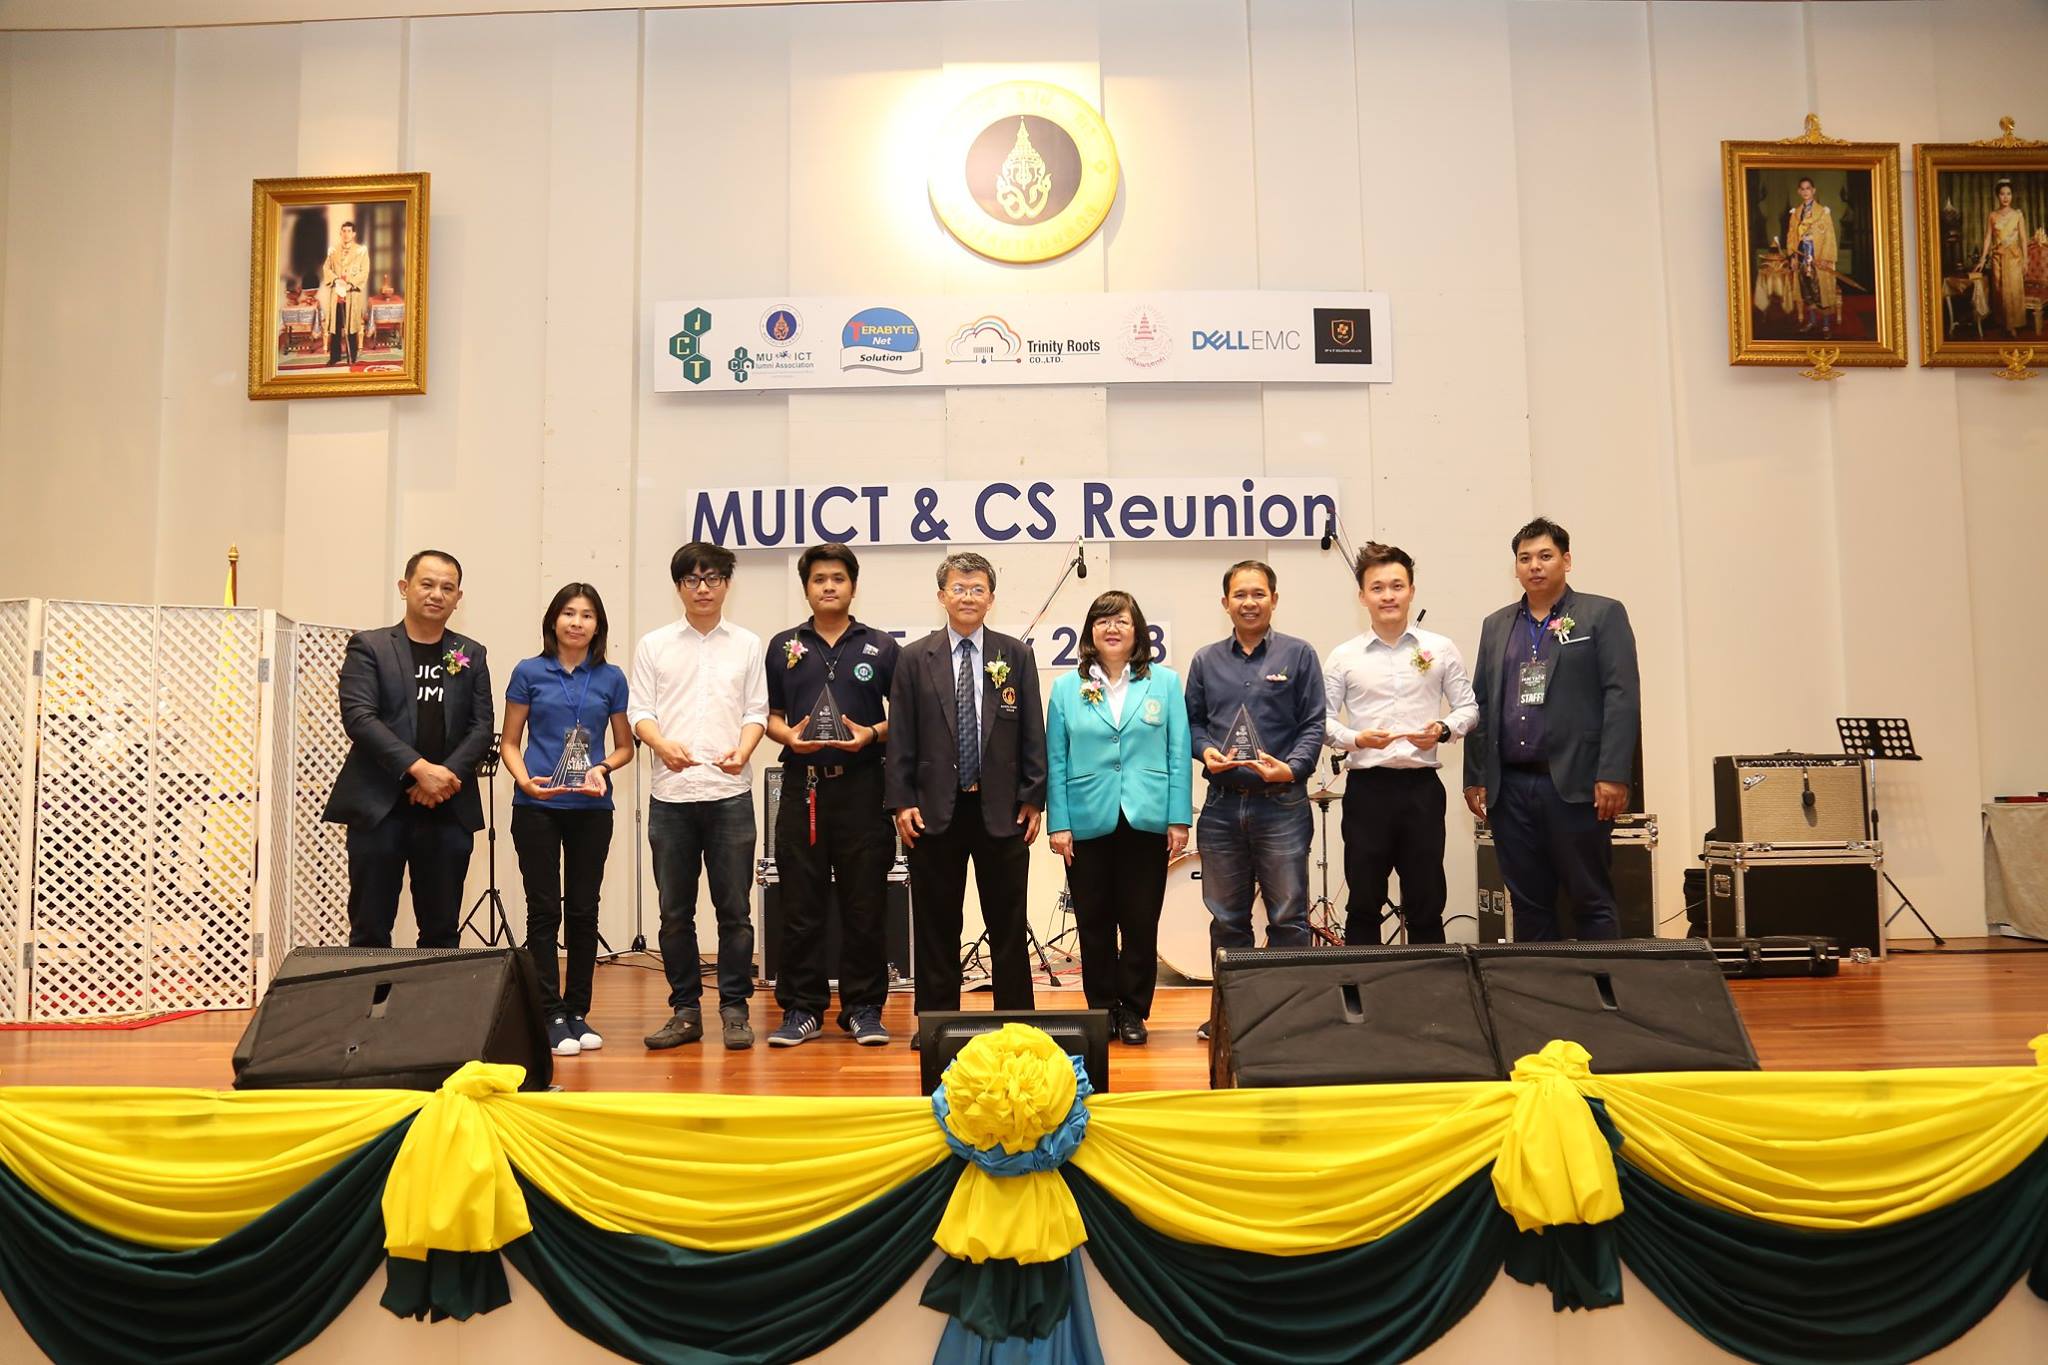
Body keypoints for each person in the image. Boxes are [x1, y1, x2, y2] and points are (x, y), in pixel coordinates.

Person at [887, 551, 1046, 1027]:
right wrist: (901, 802)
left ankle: (1017, 1024)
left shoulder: (1015, 655)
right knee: (936, 925)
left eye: (978, 589)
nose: (968, 597)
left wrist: (1033, 796)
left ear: (991, 598)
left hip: (1003, 810)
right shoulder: (914, 658)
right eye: (959, 588)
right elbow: (901, 737)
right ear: (942, 596)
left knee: (1008, 924)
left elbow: (1032, 731)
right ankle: (937, 1024)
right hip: (934, 811)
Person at [1463, 517, 1641, 942]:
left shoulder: (1602, 614)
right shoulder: (1496, 625)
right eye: (1525, 558)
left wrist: (1613, 772)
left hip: (1576, 784)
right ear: (1515, 568)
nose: (1535, 566)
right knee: (1528, 905)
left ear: (1567, 560)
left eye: (1545, 556)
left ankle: (1602, 984)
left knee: (1591, 899)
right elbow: (1480, 703)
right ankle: (1538, 985)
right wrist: (1475, 776)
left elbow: (1622, 697)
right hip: (1511, 790)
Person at [761, 543, 901, 1048]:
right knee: (800, 903)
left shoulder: (881, 646)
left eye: (838, 578)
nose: (828, 586)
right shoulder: (783, 645)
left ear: (853, 586)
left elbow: (905, 717)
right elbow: (769, 715)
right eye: (819, 579)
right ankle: (801, 1008)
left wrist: (870, 734)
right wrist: (788, 737)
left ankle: (864, 1008)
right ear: (806, 588)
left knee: (865, 903)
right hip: (803, 788)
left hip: (863, 786)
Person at [630, 543, 768, 1051]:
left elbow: (756, 710)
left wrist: (744, 750)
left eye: (712, 578)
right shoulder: (654, 645)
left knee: (734, 911)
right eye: (692, 579)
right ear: (679, 587)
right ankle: (685, 1011)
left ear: (727, 584)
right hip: (671, 797)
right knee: (674, 913)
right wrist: (661, 745)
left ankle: (735, 1010)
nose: (703, 588)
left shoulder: (748, 644)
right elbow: (640, 710)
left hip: (730, 793)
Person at [322, 550, 493, 949]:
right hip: (380, 806)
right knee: (370, 928)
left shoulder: (470, 653)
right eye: (427, 584)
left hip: (447, 807)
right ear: (404, 587)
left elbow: (481, 726)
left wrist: (443, 776)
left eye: (447, 588)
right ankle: (370, 993)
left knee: (441, 932)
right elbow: (360, 718)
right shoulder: (370, 646)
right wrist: (419, 769)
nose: (437, 594)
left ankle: (435, 994)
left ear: (458, 598)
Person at [1184, 560, 1324, 1039]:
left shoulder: (1299, 654)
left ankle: (1288, 1019)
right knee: (1227, 919)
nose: (1249, 602)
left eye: (1258, 593)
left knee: (1288, 917)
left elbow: (1314, 723)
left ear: (1274, 599)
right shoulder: (1205, 661)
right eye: (1240, 595)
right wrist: (1205, 750)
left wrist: (1294, 767)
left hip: (1282, 804)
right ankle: (1234, 1017)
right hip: (1222, 806)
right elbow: (1193, 723)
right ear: (1225, 603)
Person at [1044, 590, 1192, 1046]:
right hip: (1086, 819)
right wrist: (1058, 823)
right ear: (1090, 631)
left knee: (1141, 921)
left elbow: (1178, 753)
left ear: (1137, 631)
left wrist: (1178, 817)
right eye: (1103, 620)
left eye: (1121, 621)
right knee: (1094, 922)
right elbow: (1056, 759)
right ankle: (1102, 1009)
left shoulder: (1164, 683)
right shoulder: (1066, 688)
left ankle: (1132, 1010)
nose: (1112, 628)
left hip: (1147, 818)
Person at [499, 583, 633, 1058]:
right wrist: (526, 782)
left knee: (583, 909)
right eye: (569, 613)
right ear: (553, 620)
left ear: (598, 626)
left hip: (591, 810)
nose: (577, 622)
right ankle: (550, 1013)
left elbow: (625, 746)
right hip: (536, 807)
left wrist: (602, 768)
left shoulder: (611, 677)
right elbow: (510, 741)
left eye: (587, 615)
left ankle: (578, 1009)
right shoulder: (529, 671)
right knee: (543, 911)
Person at [1322, 543, 1477, 945]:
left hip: (1421, 789)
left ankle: (1432, 984)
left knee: (1427, 901)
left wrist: (1443, 729)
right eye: (1377, 588)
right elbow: (1321, 720)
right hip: (1367, 791)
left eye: (1396, 586)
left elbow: (1468, 708)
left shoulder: (1439, 648)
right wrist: (1355, 738)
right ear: (1362, 596)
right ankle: (1363, 984)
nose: (1387, 596)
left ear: (1411, 591)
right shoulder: (1343, 656)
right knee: (1362, 902)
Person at [1976, 179, 2029, 338]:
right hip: (1997, 257)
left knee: (2013, 290)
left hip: (2014, 257)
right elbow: (1987, 238)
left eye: (2008, 194)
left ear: (2012, 195)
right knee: (1999, 291)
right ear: (1997, 196)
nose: (2006, 197)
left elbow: (2023, 238)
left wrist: (2026, 260)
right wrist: (1982, 259)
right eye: (2002, 194)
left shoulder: (2017, 215)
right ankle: (2003, 322)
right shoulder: (1992, 215)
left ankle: (2013, 324)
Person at [1787, 176, 1839, 337]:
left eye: (1808, 188)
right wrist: (1793, 256)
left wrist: (1825, 258)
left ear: (1813, 190)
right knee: (1807, 290)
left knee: (1821, 290)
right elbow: (1791, 236)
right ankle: (1812, 321)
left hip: (1818, 258)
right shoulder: (1795, 214)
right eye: (1802, 189)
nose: (1805, 191)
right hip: (1802, 256)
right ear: (1799, 191)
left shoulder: (1823, 212)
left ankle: (1826, 325)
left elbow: (1829, 237)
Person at [320, 220, 370, 366]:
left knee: (351, 326)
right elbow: (326, 268)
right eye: (344, 231)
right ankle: (334, 356)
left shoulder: (361, 251)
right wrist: (335, 280)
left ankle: (351, 355)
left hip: (351, 294)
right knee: (335, 327)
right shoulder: (333, 251)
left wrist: (350, 284)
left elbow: (364, 271)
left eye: (349, 231)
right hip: (337, 294)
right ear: (340, 233)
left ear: (354, 234)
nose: (346, 234)